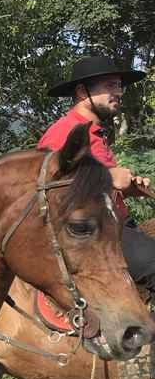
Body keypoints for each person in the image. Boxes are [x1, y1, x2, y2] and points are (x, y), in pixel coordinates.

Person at [39, 55, 154, 287]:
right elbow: (44, 185)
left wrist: (130, 188)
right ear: (83, 92)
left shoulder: (95, 133)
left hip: (116, 224)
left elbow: (91, 187)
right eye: (110, 85)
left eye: (119, 85)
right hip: (96, 234)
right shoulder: (62, 132)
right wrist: (108, 177)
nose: (119, 92)